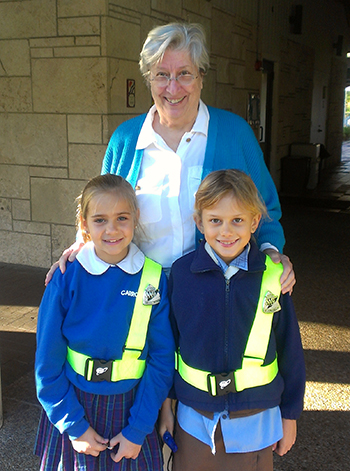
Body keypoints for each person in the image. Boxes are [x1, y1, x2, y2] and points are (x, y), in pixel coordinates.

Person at [46, 22, 295, 294]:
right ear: (149, 79)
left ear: (201, 77)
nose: (173, 88)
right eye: (162, 75)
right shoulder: (125, 140)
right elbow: (100, 208)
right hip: (139, 293)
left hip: (216, 293)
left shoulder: (235, 135)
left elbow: (266, 210)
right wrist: (80, 247)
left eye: (184, 74)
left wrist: (272, 252)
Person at [160, 169, 305, 471]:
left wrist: (290, 415)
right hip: (193, 418)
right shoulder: (181, 275)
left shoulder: (273, 278)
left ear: (254, 222)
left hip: (257, 419)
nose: (226, 231)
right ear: (199, 222)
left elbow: (290, 349)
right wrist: (166, 409)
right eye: (215, 221)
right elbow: (167, 346)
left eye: (237, 220)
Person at [34, 174, 175, 471]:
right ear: (83, 224)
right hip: (75, 403)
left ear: (135, 218)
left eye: (122, 218)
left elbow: (162, 360)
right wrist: (73, 425)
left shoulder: (152, 278)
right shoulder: (65, 278)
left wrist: (138, 429)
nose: (112, 230)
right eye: (100, 220)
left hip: (133, 409)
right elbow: (47, 363)